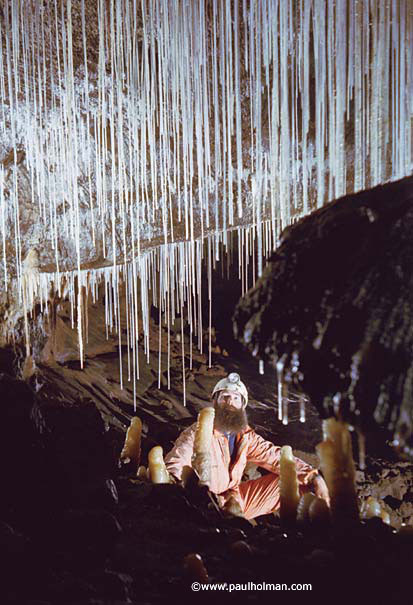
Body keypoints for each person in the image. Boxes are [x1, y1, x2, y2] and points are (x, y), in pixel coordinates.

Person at [165, 372, 329, 520]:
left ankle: (312, 533)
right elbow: (175, 464)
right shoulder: (198, 432)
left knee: (295, 483)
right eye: (225, 397)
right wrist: (191, 496)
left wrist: (313, 476)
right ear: (215, 402)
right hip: (207, 505)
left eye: (236, 398)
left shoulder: (245, 436)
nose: (230, 402)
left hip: (235, 499)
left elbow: (274, 457)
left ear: (242, 406)